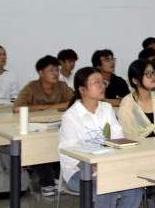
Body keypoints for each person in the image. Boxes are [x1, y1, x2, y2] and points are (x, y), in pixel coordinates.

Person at [58, 67, 142, 207]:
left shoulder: (107, 108)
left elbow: (118, 139)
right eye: (96, 82)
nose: (102, 86)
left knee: (134, 189)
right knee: (105, 190)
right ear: (82, 89)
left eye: (103, 82)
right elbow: (70, 154)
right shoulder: (71, 116)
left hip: (107, 167)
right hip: (79, 172)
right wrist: (95, 167)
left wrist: (111, 165)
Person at [13, 55, 73, 195]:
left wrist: (48, 107)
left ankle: (59, 176)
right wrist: (47, 107)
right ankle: (46, 182)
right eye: (51, 70)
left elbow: (74, 102)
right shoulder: (31, 87)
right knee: (40, 146)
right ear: (41, 72)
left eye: (57, 70)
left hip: (57, 126)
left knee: (64, 141)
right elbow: (17, 108)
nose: (55, 73)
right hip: (37, 128)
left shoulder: (62, 86)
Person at [118, 59, 155, 139]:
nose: (153, 76)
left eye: (153, 72)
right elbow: (128, 136)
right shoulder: (127, 103)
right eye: (148, 74)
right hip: (138, 146)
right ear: (135, 80)